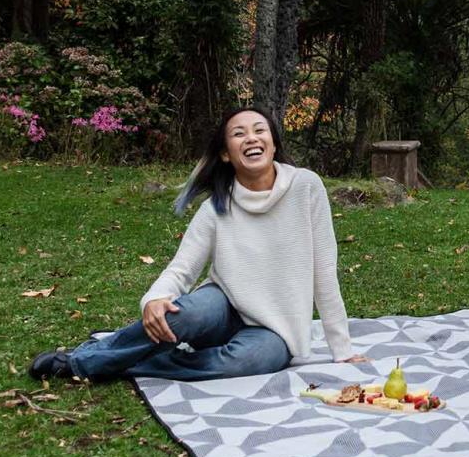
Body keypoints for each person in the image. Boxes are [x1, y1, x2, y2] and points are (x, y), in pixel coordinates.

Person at [28, 107, 368, 381]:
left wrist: (341, 347)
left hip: (274, 328)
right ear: (225, 154)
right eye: (239, 134)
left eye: (259, 130)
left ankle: (122, 361)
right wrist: (154, 300)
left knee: (246, 363)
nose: (251, 138)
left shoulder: (306, 187)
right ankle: (80, 361)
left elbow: (324, 271)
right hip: (222, 307)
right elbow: (183, 268)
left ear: (274, 144)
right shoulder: (217, 207)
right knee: (182, 314)